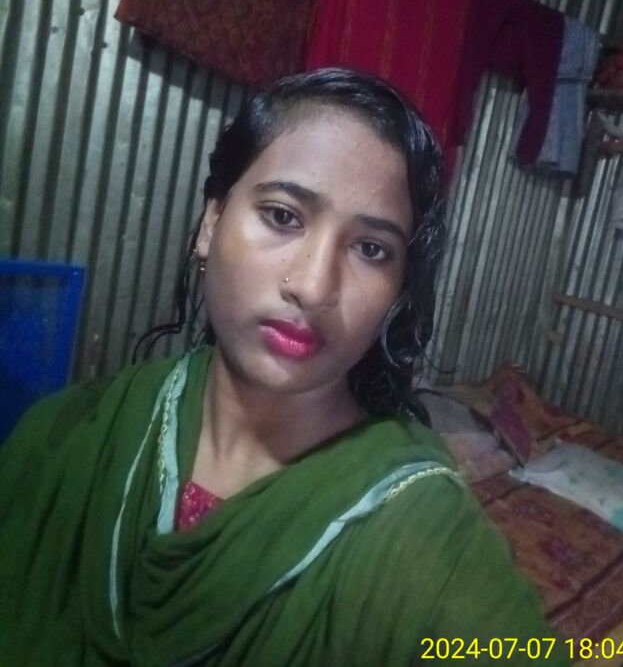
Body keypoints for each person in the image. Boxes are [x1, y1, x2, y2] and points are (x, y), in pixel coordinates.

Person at [0, 69, 569, 666]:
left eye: (371, 249)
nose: (314, 286)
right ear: (212, 222)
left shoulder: (418, 532)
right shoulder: (66, 436)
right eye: (282, 216)